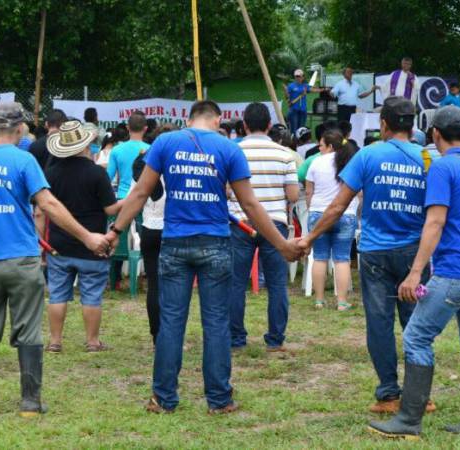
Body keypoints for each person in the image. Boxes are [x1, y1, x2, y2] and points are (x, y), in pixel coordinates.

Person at [104, 100, 302, 414]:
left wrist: (116, 231)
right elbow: (249, 205)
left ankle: (163, 398)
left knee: (171, 322)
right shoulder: (228, 149)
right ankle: (220, 400)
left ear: (190, 117)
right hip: (215, 244)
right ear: (217, 119)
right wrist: (281, 243)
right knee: (216, 323)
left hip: (175, 243)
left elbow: (140, 192)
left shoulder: (166, 142)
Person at [0, 102, 109, 418]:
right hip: (22, 261)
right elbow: (48, 204)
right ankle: (30, 404)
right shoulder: (25, 160)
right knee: (29, 332)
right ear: (21, 128)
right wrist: (87, 237)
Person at [298, 97, 434, 414]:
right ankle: (420, 396)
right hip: (415, 255)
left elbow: (338, 206)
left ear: (384, 124)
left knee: (380, 324)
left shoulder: (367, 156)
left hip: (374, 253)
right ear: (412, 125)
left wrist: (311, 237)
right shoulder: (428, 158)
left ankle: (388, 394)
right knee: (416, 324)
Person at [368, 106, 460, 439]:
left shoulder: (442, 168)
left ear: (435, 134)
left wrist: (414, 273)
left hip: (456, 271)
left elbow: (436, 221)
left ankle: (409, 420)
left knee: (415, 336)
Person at [43, 121, 123, 353]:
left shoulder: (51, 173)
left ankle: (55, 341)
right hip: (93, 245)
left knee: (57, 294)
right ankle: (92, 342)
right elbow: (110, 209)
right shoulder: (97, 173)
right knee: (92, 296)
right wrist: (130, 200)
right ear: (87, 143)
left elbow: (44, 208)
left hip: (60, 246)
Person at [227, 103, 299, 352]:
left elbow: (226, 190)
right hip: (275, 225)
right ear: (269, 125)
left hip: (240, 224)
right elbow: (292, 194)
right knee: (277, 284)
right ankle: (275, 340)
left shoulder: (232, 151)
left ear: (244, 124)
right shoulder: (285, 154)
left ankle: (236, 339)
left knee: (236, 283)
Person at [306, 129, 358, 310]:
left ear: (329, 146)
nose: (319, 148)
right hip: (346, 214)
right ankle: (342, 302)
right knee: (342, 259)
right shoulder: (351, 162)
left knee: (319, 257)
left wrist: (310, 209)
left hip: (318, 213)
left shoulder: (315, 162)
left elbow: (309, 192)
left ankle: (319, 300)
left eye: (321, 145)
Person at [132, 125, 175, 344]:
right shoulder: (178, 164)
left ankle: (157, 335)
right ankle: (171, 333)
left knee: (154, 285)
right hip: (173, 230)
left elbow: (136, 195)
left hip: (150, 226)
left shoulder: (142, 165)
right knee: (175, 285)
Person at [107, 111, 149, 199]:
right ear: (145, 129)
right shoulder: (151, 149)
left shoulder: (116, 149)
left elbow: (107, 178)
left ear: (127, 127)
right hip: (143, 198)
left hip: (123, 197)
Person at [285, 69, 326, 133]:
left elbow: (314, 90)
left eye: (299, 76)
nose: (298, 78)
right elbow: (287, 99)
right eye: (296, 76)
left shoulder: (305, 86)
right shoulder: (291, 86)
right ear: (294, 77)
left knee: (301, 129)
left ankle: (301, 142)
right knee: (294, 129)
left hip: (303, 111)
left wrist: (324, 89)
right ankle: (293, 142)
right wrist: (286, 94)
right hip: (294, 111)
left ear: (302, 77)